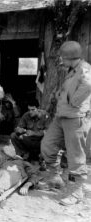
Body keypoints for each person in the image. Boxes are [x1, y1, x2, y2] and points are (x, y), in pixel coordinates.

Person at [41, 41, 91, 206]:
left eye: (63, 57)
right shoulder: (71, 71)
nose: (61, 60)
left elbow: (88, 85)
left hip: (75, 118)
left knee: (76, 156)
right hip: (61, 116)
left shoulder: (84, 68)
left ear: (70, 57)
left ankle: (76, 192)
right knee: (47, 145)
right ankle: (55, 177)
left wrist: (73, 101)